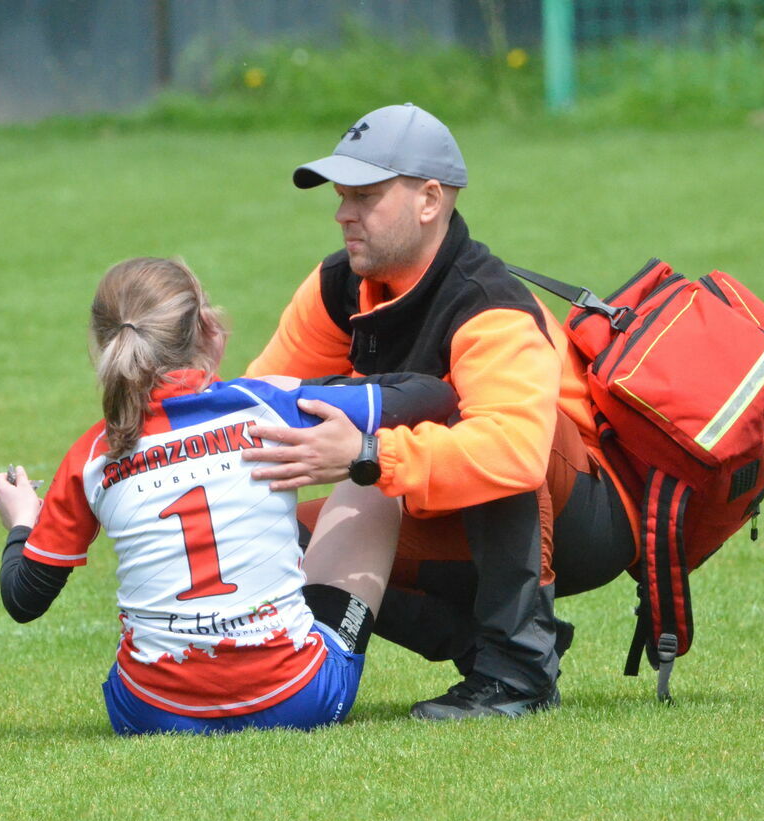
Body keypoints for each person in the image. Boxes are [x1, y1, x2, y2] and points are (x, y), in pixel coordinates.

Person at [242, 103, 640, 720]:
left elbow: (513, 455)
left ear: (430, 200)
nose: (343, 213)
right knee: (269, 534)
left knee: (466, 418)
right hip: (451, 505)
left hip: (580, 520)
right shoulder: (337, 288)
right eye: (341, 196)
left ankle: (519, 675)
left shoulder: (489, 305)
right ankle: (478, 653)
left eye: (365, 197)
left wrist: (367, 454)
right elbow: (255, 410)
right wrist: (126, 468)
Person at [0, 256, 457, 735]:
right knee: (370, 469)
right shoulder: (267, 404)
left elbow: (24, 599)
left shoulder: (92, 454)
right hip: (300, 699)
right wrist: (306, 393)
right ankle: (470, 639)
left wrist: (23, 521)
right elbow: (431, 396)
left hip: (148, 714)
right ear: (209, 327)